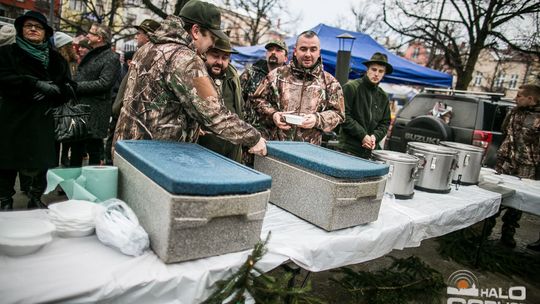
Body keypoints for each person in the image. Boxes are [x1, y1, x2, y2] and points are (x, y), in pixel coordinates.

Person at [113, 0, 266, 157]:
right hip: (156, 157)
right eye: (212, 37)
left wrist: (188, 123)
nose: (213, 43)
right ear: (195, 30)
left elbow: (152, 103)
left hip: (127, 149)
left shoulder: (146, 48)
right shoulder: (187, 60)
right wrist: (253, 137)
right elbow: (213, 113)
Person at [0, 11, 74, 210]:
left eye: (38, 26)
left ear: (45, 32)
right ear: (21, 30)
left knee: (41, 161)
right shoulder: (7, 53)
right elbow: (3, 78)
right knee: (7, 160)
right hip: (13, 117)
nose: (33, 29)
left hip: (43, 119)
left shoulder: (57, 59)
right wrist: (33, 83)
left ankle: (35, 197)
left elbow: (69, 87)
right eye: (28, 26)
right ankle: (5, 199)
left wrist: (55, 90)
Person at [250, 31, 344, 145]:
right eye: (303, 49)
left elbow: (339, 114)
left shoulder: (330, 83)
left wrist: (317, 119)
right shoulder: (276, 76)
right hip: (275, 146)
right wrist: (273, 114)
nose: (308, 54)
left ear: (319, 53)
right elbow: (256, 100)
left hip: (309, 150)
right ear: (295, 51)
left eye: (313, 49)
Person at [494, 84, 540, 249]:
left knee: (519, 201)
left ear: (531, 99)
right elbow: (505, 133)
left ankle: (508, 233)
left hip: (527, 165)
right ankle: (484, 228)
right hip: (507, 161)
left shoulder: (538, 118)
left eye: (519, 96)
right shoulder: (513, 112)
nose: (515, 98)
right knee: (495, 195)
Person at [72, 23, 120, 167]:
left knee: (93, 148)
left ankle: (92, 183)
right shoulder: (92, 54)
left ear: (99, 38)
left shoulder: (111, 57)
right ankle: (71, 182)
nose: (87, 35)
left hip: (95, 110)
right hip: (82, 107)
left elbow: (104, 83)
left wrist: (76, 86)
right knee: (76, 147)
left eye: (91, 33)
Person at [337, 52, 392, 158]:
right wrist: (363, 136)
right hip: (348, 149)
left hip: (370, 151)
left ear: (384, 74)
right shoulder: (351, 87)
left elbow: (385, 123)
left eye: (381, 71)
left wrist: (374, 137)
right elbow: (343, 115)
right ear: (367, 69)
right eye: (374, 69)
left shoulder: (383, 96)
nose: (376, 74)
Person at [198, 37, 244, 162]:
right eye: (215, 56)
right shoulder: (197, 75)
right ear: (205, 54)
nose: (219, 62)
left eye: (224, 58)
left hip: (229, 150)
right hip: (201, 151)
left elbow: (239, 110)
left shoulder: (232, 76)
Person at [241, 39, 288, 130]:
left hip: (277, 133)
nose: (273, 52)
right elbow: (238, 97)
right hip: (249, 129)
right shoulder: (251, 73)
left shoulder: (289, 79)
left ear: (286, 58)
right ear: (266, 54)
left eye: (278, 50)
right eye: (270, 50)